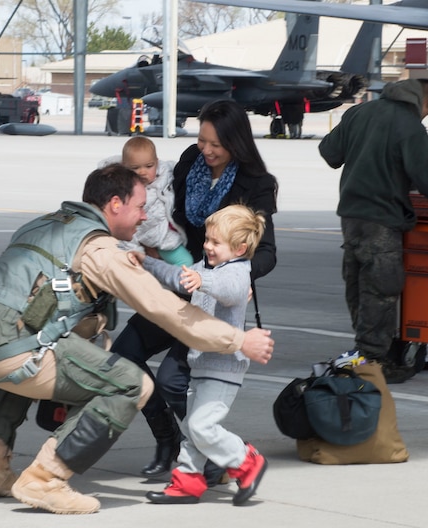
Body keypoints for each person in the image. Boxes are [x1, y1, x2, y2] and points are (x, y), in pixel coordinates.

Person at [0, 164, 275, 515]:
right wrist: (237, 340)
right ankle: (46, 478)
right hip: (11, 353)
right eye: (140, 207)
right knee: (131, 385)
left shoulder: (46, 225)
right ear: (116, 204)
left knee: (27, 346)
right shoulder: (100, 250)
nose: (144, 216)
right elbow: (164, 308)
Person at [110, 99, 278, 478]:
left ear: (236, 142)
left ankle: (211, 453)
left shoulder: (256, 184)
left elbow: (266, 253)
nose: (206, 150)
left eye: (215, 144)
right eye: (201, 140)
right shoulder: (190, 163)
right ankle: (169, 439)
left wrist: (237, 275)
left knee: (172, 378)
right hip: (176, 281)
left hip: (210, 295)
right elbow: (162, 207)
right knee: (124, 356)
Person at [318, 78, 428, 384]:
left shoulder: (359, 112)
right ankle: (375, 360)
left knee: (358, 282)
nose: (424, 118)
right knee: (381, 287)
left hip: (350, 216)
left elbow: (329, 152)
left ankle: (364, 351)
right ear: (425, 103)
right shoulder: (409, 124)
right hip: (382, 219)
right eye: (427, 113)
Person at [138, 204, 269, 506]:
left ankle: (246, 461)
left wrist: (203, 281)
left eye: (215, 242)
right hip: (201, 364)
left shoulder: (237, 271)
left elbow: (230, 291)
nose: (207, 246)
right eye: (207, 240)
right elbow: (176, 276)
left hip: (225, 367)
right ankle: (187, 481)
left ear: (240, 247)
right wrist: (144, 262)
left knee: (201, 426)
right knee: (192, 429)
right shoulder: (206, 269)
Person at [100, 136, 193, 266]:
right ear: (123, 167)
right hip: (131, 238)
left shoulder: (165, 178)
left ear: (157, 162)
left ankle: (171, 282)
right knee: (132, 264)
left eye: (149, 166)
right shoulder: (120, 188)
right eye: (135, 168)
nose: (142, 172)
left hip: (163, 238)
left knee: (186, 261)